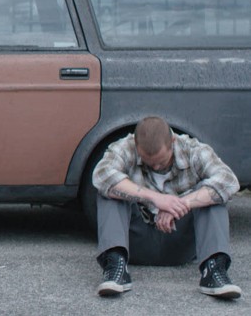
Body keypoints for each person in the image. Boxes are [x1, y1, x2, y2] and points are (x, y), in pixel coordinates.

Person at [92, 116, 241, 298]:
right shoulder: (125, 147)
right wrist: (155, 198)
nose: (155, 166)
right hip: (136, 242)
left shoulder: (194, 150)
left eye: (161, 161)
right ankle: (115, 267)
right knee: (110, 191)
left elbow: (229, 181)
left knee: (213, 196)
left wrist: (180, 204)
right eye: (148, 161)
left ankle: (214, 271)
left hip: (180, 242)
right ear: (136, 145)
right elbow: (100, 176)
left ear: (173, 141)